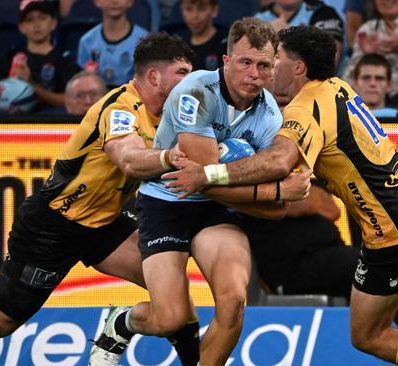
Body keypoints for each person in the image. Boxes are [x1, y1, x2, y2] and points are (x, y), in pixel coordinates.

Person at [163, 25, 398, 366]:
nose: (270, 67)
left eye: (276, 59)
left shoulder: (305, 109)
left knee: (367, 334)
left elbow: (278, 161)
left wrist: (209, 174)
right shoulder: (336, 87)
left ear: (298, 67)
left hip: (393, 225)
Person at [0, 32, 201, 366]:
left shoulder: (172, 116)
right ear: (154, 76)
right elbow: (128, 158)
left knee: (173, 293)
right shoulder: (119, 108)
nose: (191, 82)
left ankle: (132, 331)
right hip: (53, 226)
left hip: (104, 224)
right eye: (183, 73)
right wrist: (168, 158)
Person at [89, 17, 311, 366]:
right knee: (171, 319)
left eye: (264, 65)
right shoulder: (195, 91)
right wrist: (269, 188)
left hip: (217, 212)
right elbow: (203, 177)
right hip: (167, 202)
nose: (254, 73)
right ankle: (123, 321)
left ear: (273, 68)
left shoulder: (271, 116)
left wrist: (265, 191)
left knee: (234, 302)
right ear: (225, 62)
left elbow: (220, 185)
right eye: (245, 62)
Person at [241, 183, 357, 301]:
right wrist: (302, 197)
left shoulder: (287, 181)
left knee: (368, 265)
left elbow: (333, 210)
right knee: (365, 269)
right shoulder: (252, 190)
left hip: (328, 254)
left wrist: (300, 196)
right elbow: (304, 205)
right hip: (294, 268)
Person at [0, 0, 79, 111]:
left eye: (42, 18)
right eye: (29, 20)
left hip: (53, 122)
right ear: (21, 27)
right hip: (11, 123)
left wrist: (29, 83)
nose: (36, 24)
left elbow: (68, 100)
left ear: (53, 23)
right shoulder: (9, 57)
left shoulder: (65, 59)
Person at [77, 0, 148, 88]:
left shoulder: (145, 41)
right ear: (96, 1)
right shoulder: (87, 41)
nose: (114, 1)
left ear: (130, 1)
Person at [175, 0, 228, 71]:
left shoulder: (226, 44)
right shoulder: (178, 44)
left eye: (202, 9)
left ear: (214, 10)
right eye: (188, 9)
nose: (195, 16)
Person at [351, 53, 398, 117]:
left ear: (389, 85)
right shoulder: (341, 121)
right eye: (366, 78)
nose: (372, 83)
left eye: (379, 78)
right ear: (355, 83)